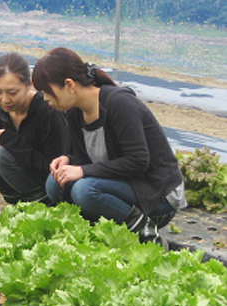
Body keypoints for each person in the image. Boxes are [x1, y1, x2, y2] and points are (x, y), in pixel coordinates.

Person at [32, 47, 187, 245]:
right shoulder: (74, 112)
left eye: (48, 92)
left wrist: (81, 170)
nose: (46, 99)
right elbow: (89, 158)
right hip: (122, 184)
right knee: (54, 183)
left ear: (69, 85)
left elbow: (138, 161)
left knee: (84, 190)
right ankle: (96, 234)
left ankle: (147, 235)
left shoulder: (119, 103)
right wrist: (69, 160)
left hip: (156, 192)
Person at [0, 52, 69, 205]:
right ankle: (15, 202)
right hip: (19, 170)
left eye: (12, 93)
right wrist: (6, 142)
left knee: (1, 156)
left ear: (29, 84)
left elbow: (53, 165)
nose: (5, 100)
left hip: (50, 180)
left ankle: (40, 202)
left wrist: (13, 143)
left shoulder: (47, 111)